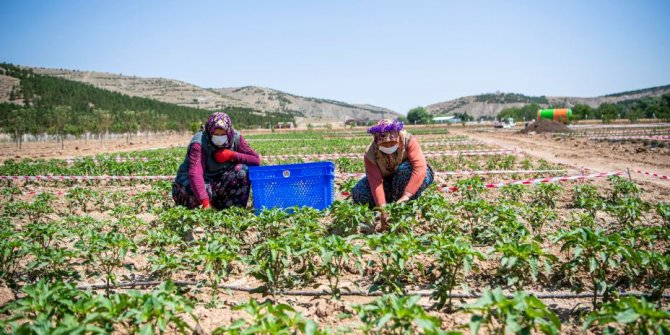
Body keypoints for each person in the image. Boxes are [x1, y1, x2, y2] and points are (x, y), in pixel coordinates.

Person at [351, 119, 434, 231]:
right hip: (388, 182)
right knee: (359, 191)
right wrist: (382, 209)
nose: (388, 146)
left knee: (405, 170)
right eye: (384, 144)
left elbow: (419, 168)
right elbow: (376, 182)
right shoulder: (370, 153)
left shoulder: (408, 140)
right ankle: (389, 207)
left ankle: (406, 208)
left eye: (392, 143)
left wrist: (407, 195)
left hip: (411, 178)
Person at [172, 112, 260, 210]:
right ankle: (206, 205)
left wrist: (232, 155)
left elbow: (255, 160)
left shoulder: (236, 138)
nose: (219, 137)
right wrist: (204, 201)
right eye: (216, 134)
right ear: (210, 131)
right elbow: (195, 173)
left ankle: (232, 209)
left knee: (242, 171)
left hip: (220, 182)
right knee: (191, 189)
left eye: (223, 134)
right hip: (202, 182)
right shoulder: (199, 142)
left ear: (229, 132)